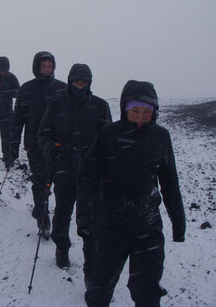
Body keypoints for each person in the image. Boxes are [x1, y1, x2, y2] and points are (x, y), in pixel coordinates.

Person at [77, 80, 186, 307]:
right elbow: (88, 176)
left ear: (154, 112)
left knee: (147, 291)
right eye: (135, 111)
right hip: (110, 227)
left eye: (146, 112)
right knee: (99, 290)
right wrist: (85, 217)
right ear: (125, 109)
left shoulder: (160, 137)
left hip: (148, 227)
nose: (140, 116)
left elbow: (170, 183)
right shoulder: (109, 135)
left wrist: (178, 222)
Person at [38, 64, 111, 279]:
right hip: (63, 171)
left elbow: (109, 140)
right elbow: (43, 135)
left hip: (91, 174)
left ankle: (92, 262)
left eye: (84, 82)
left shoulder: (100, 106)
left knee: (90, 221)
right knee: (62, 214)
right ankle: (62, 248)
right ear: (70, 82)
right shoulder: (56, 104)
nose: (80, 86)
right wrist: (51, 149)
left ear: (89, 83)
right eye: (76, 82)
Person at [10, 51, 66, 235]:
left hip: (58, 144)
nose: (47, 69)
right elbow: (17, 120)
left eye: (50, 66)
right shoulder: (26, 89)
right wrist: (13, 147)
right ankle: (43, 218)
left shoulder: (62, 88)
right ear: (37, 67)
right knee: (41, 180)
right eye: (43, 66)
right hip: (34, 143)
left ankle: (60, 216)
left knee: (60, 180)